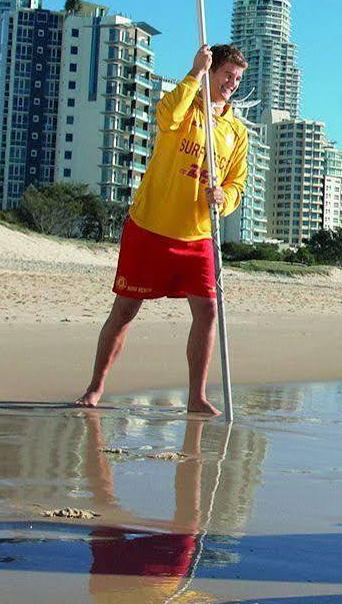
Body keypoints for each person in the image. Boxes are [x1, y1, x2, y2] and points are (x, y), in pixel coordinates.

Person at [77, 44, 249, 416]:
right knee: (124, 310)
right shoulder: (187, 104)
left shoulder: (237, 131)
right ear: (212, 70)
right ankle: (95, 387)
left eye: (237, 79)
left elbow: (237, 184)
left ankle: (196, 396)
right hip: (151, 226)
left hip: (198, 234)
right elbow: (165, 116)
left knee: (207, 312)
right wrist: (195, 74)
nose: (232, 84)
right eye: (226, 76)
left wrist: (223, 196)